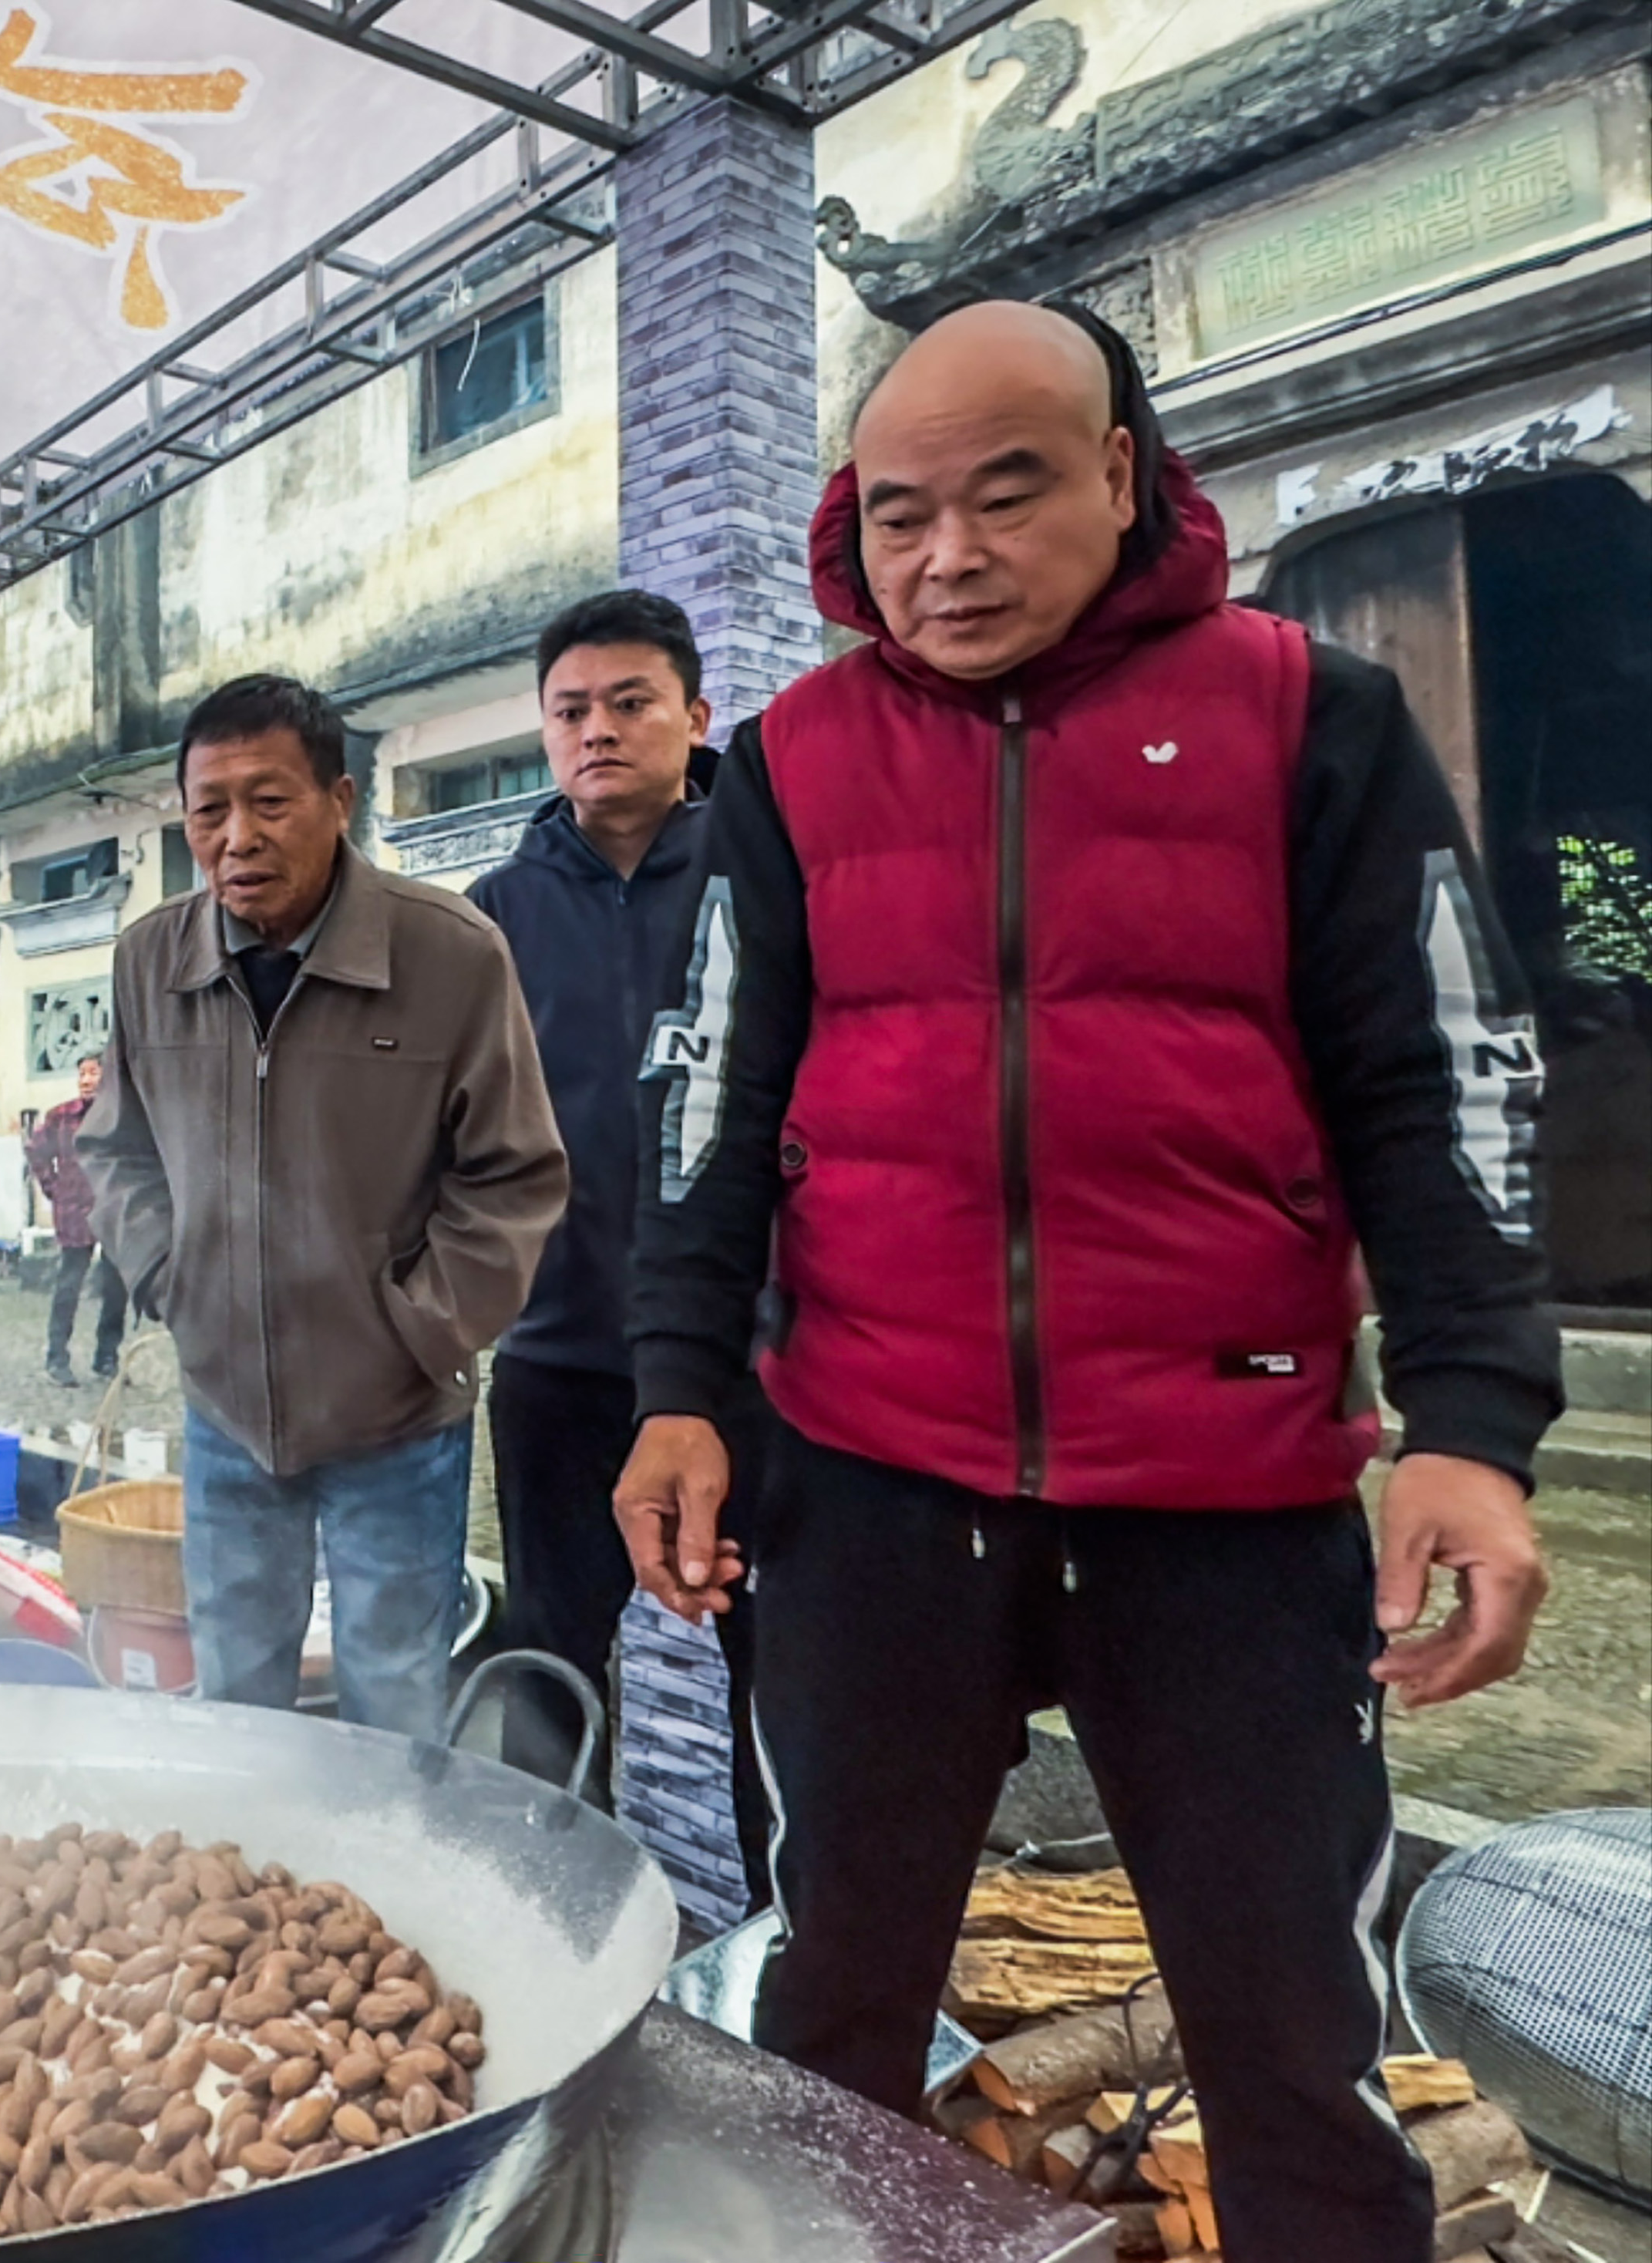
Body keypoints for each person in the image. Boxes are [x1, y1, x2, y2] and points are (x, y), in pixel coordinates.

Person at [617, 302, 1560, 2263]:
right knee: (834, 1997)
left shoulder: (1306, 718)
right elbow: (713, 1089)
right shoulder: (790, 765)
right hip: (868, 1483)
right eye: (897, 516)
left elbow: (1440, 1072)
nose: (945, 558)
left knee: (1288, 2029)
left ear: (1122, 474)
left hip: (1226, 1503)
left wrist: (1471, 1422)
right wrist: (679, 1386)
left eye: (1007, 493)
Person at [80, 674, 567, 1738]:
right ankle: (254, 1856)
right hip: (225, 1411)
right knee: (235, 1697)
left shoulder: (449, 951)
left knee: (391, 1703)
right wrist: (171, 1277)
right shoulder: (150, 959)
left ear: (340, 800)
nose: (237, 837)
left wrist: (419, 1327)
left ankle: (379, 1855)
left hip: (396, 1417)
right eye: (208, 809)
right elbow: (115, 1147)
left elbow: (513, 1172)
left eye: (270, 801)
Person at [464, 589, 766, 1894]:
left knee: (777, 1666)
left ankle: (783, 1936)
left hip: (751, 1359)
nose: (597, 730)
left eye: (629, 702)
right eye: (569, 710)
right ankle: (551, 1907)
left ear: (695, 715)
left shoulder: (770, 878)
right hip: (559, 1351)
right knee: (547, 1648)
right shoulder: (491, 914)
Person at [26, 1051, 126, 1386]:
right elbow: (36, 1150)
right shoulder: (62, 1116)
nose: (86, 1080)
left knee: (116, 1288)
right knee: (69, 1285)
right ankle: (57, 1358)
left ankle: (107, 1358)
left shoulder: (121, 1115)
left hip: (113, 1210)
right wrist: (53, 1187)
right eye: (82, 1074)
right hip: (74, 1211)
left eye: (94, 1073)